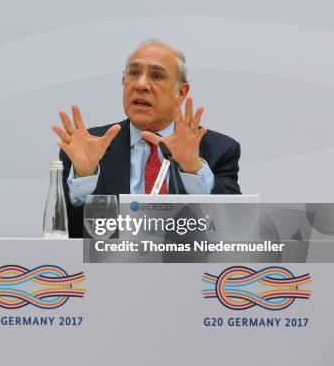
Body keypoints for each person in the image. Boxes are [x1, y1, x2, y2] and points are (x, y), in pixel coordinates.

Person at [52, 39, 241, 238]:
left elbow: (233, 230)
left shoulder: (219, 149)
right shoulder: (88, 148)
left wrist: (192, 168)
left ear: (181, 92)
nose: (141, 84)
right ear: (124, 82)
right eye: (133, 73)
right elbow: (66, 235)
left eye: (156, 76)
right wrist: (85, 174)